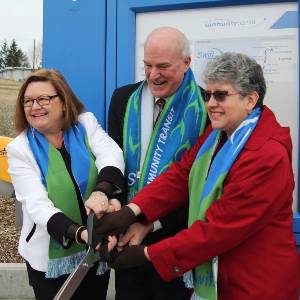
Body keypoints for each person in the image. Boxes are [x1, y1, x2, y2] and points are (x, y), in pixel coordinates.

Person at [94, 52, 300, 299]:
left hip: (254, 283)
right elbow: (180, 175)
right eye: (207, 95)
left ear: (250, 100)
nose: (211, 103)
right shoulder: (218, 135)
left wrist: (148, 254)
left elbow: (218, 230)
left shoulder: (266, 154)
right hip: (219, 276)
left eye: (221, 95)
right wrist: (132, 211)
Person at [107, 26, 207, 299]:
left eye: (163, 66)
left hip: (174, 238)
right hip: (125, 236)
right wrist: (116, 207)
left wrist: (151, 223)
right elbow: (115, 163)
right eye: (147, 65)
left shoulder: (206, 107)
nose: (153, 75)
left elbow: (197, 183)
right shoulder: (123, 100)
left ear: (187, 62)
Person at [6, 69, 124, 300]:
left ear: (63, 100)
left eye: (43, 99)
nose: (34, 106)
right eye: (28, 101)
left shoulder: (86, 124)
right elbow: (38, 205)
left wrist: (102, 192)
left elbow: (112, 155)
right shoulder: (19, 149)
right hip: (49, 259)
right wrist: (80, 233)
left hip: (96, 247)